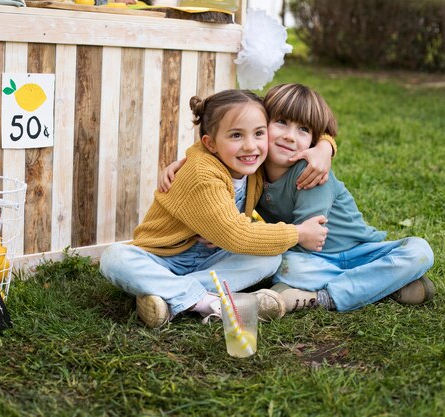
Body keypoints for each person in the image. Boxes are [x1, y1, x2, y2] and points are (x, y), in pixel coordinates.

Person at [161, 83, 435, 314]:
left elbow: (309, 238)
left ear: (314, 141)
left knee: (419, 250)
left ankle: (322, 298)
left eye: (303, 130)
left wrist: (325, 147)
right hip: (309, 263)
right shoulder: (252, 167)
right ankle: (384, 286)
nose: (290, 137)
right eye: (280, 122)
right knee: (284, 267)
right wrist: (190, 159)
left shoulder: (311, 171)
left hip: (358, 252)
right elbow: (224, 131)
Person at [99, 89, 331, 328]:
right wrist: (299, 233)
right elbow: (236, 235)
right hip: (164, 257)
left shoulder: (254, 163)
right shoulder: (202, 175)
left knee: (269, 258)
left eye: (259, 133)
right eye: (236, 136)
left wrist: (325, 147)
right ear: (210, 144)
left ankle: (167, 293)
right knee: (115, 258)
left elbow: (317, 128)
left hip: (212, 257)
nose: (250, 146)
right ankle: (206, 301)